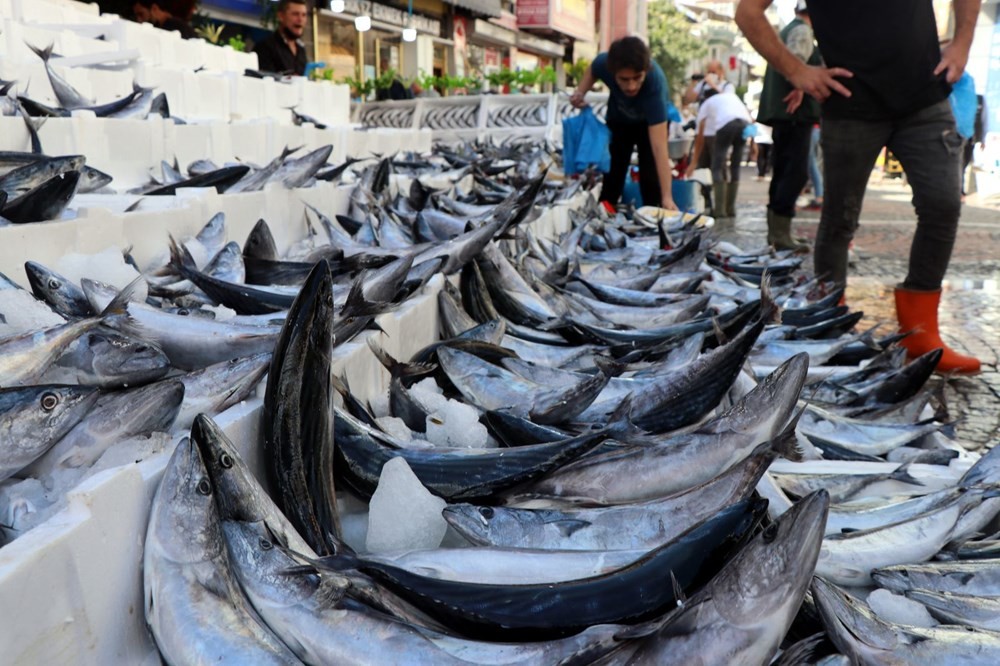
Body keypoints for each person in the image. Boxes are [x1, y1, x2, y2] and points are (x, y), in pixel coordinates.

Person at [736, 0, 981, 375]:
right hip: (850, 105)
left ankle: (921, 333)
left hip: (924, 96)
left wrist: (962, 42)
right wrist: (796, 70)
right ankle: (829, 325)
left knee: (944, 204)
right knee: (838, 220)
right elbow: (747, 11)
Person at [570, 36, 677, 213]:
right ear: (613, 72)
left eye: (637, 78)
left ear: (645, 71)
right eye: (624, 79)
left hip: (648, 123)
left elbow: (660, 148)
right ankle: (605, 214)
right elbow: (593, 69)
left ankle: (654, 216)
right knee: (613, 172)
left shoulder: (655, 84)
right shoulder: (604, 63)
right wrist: (580, 92)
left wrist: (667, 196)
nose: (631, 86)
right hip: (619, 119)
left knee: (650, 177)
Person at [750, 0, 819, 252]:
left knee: (784, 170)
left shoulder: (790, 28)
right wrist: (799, 87)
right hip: (793, 112)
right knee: (793, 172)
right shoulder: (802, 30)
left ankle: (778, 233)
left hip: (785, 113)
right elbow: (796, 62)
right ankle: (780, 234)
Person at [687, 88, 752, 219]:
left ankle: (719, 210)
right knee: (735, 165)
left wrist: (693, 162)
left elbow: (700, 136)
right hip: (745, 124)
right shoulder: (731, 96)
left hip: (726, 125)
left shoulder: (707, 103)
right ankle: (731, 209)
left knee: (717, 165)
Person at [253, 0, 308, 76]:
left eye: (304, 15)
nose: (300, 19)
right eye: (295, 14)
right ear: (281, 16)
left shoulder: (301, 50)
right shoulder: (265, 47)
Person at [132, 0, 196, 39]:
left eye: (141, 14)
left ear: (154, 8)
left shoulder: (171, 27)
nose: (139, 20)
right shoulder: (172, 24)